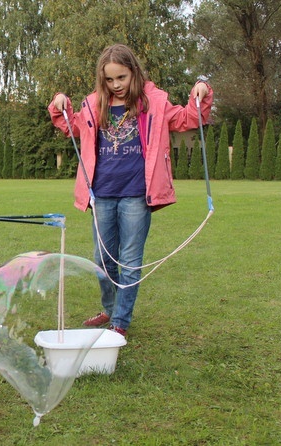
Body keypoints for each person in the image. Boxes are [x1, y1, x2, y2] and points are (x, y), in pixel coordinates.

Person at [48, 44, 212, 337]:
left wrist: (201, 90)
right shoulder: (93, 105)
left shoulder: (156, 103)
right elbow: (71, 127)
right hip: (101, 193)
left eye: (121, 77)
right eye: (109, 80)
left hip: (137, 193)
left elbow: (189, 118)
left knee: (131, 262)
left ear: (134, 72)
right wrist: (60, 102)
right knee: (103, 261)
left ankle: (120, 322)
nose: (116, 85)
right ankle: (110, 310)